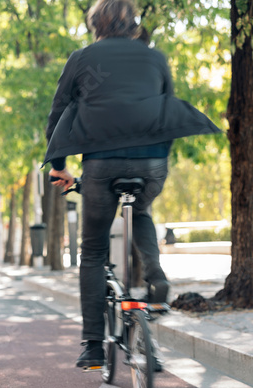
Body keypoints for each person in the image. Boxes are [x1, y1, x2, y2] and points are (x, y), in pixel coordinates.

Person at [42, 0, 221, 369]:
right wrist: (157, 158)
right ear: (133, 23)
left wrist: (59, 167)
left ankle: (93, 346)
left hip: (102, 164)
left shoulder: (81, 58)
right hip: (151, 162)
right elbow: (167, 105)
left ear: (95, 24)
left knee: (92, 251)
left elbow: (59, 113)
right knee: (140, 209)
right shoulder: (154, 58)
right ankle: (155, 276)